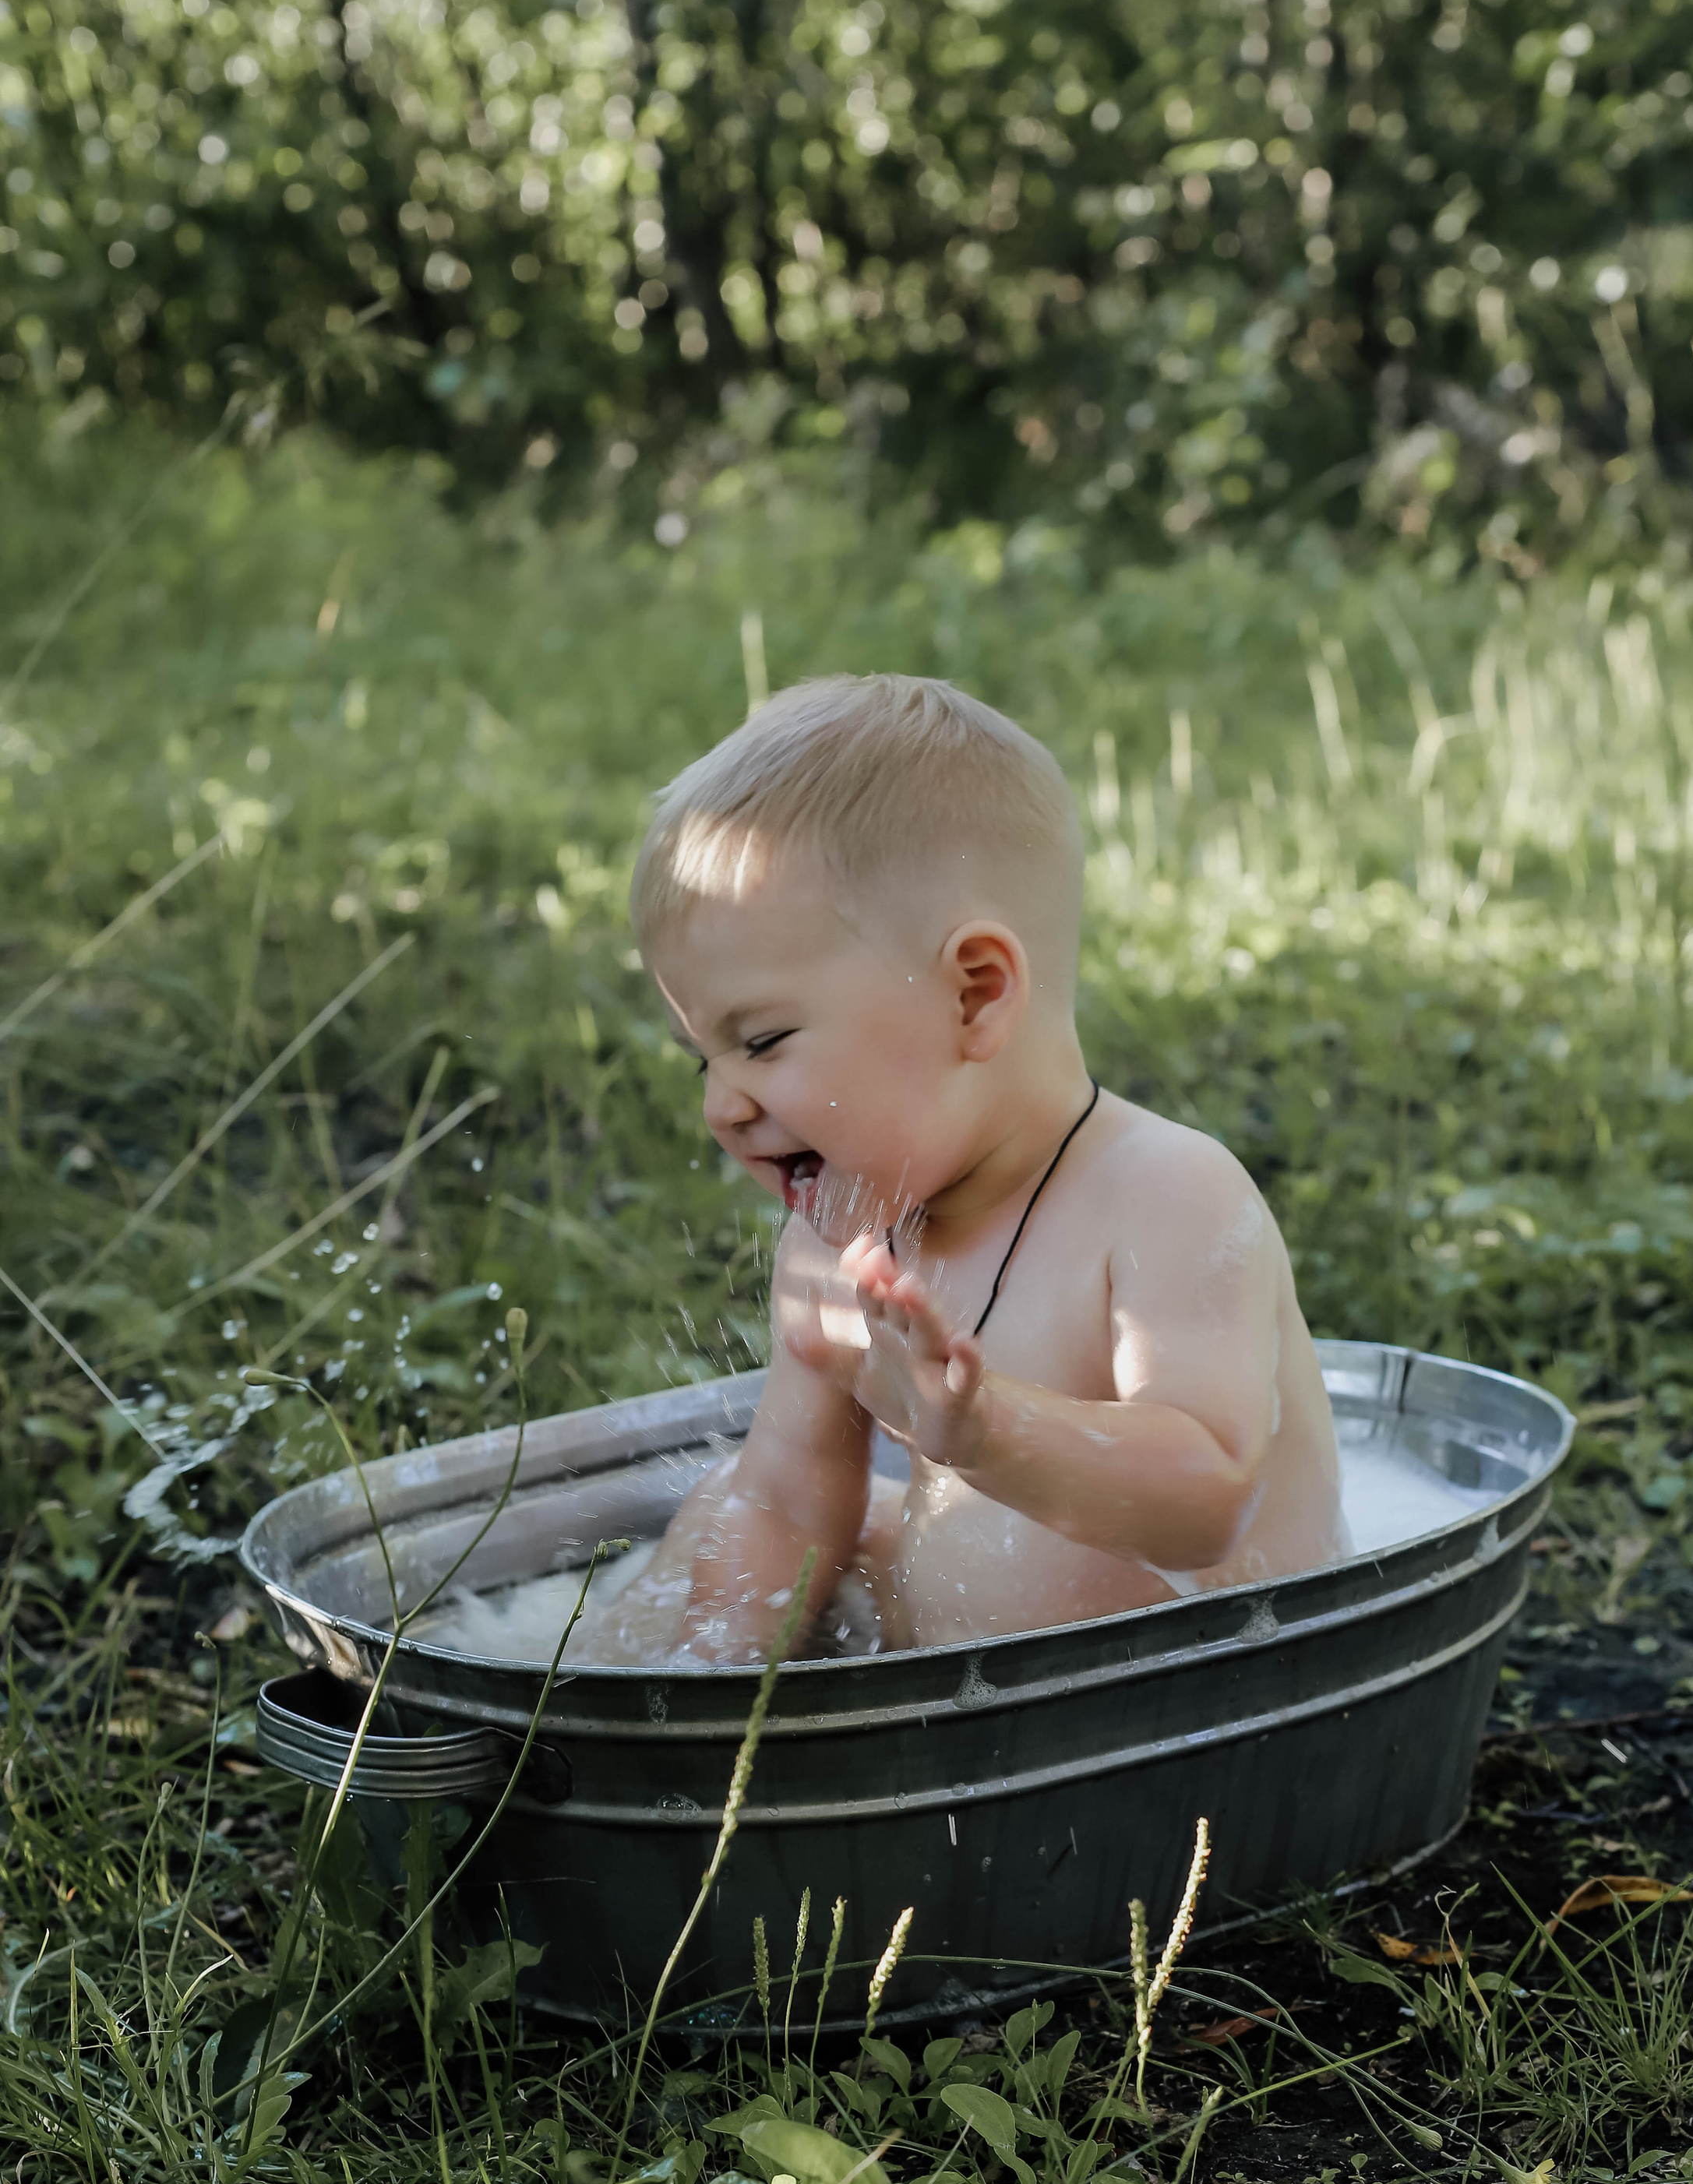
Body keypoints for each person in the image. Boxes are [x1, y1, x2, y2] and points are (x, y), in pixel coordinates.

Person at [570, 674, 1346, 1664]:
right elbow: (789, 1494)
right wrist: (710, 1680)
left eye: (761, 1042)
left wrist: (985, 1431)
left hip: (1207, 1699)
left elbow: (1209, 1506)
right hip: (967, 1691)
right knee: (736, 1505)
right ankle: (623, 1719)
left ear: (974, 996)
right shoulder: (834, 1248)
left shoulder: (1165, 1197)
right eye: (702, 1058)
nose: (720, 1106)